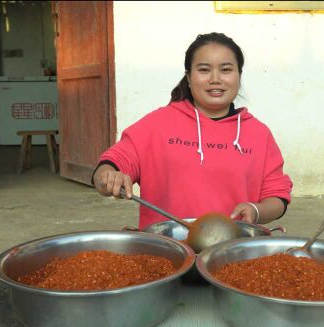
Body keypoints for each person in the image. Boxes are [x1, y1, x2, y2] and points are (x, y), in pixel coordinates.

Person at [92, 32, 293, 230]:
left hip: (232, 254)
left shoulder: (259, 134)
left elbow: (277, 197)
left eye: (226, 70)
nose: (215, 79)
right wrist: (109, 178)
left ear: (239, 76)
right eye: (204, 70)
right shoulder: (157, 124)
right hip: (166, 252)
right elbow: (109, 167)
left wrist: (256, 210)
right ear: (188, 77)